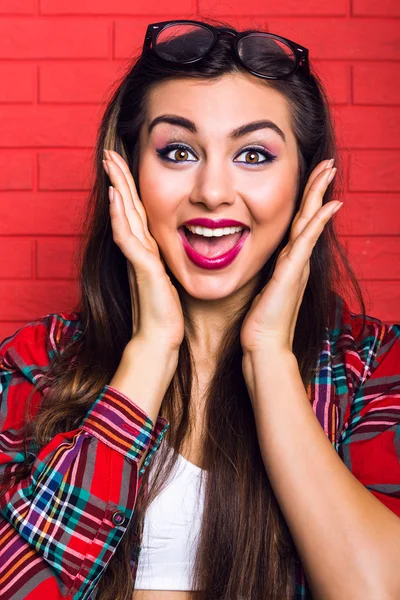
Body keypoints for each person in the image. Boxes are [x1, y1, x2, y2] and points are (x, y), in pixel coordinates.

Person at [1, 16, 399, 600]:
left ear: (305, 183)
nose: (212, 191)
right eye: (179, 151)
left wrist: (270, 361)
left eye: (255, 155)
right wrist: (150, 350)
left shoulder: (370, 368)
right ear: (130, 176)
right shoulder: (36, 363)